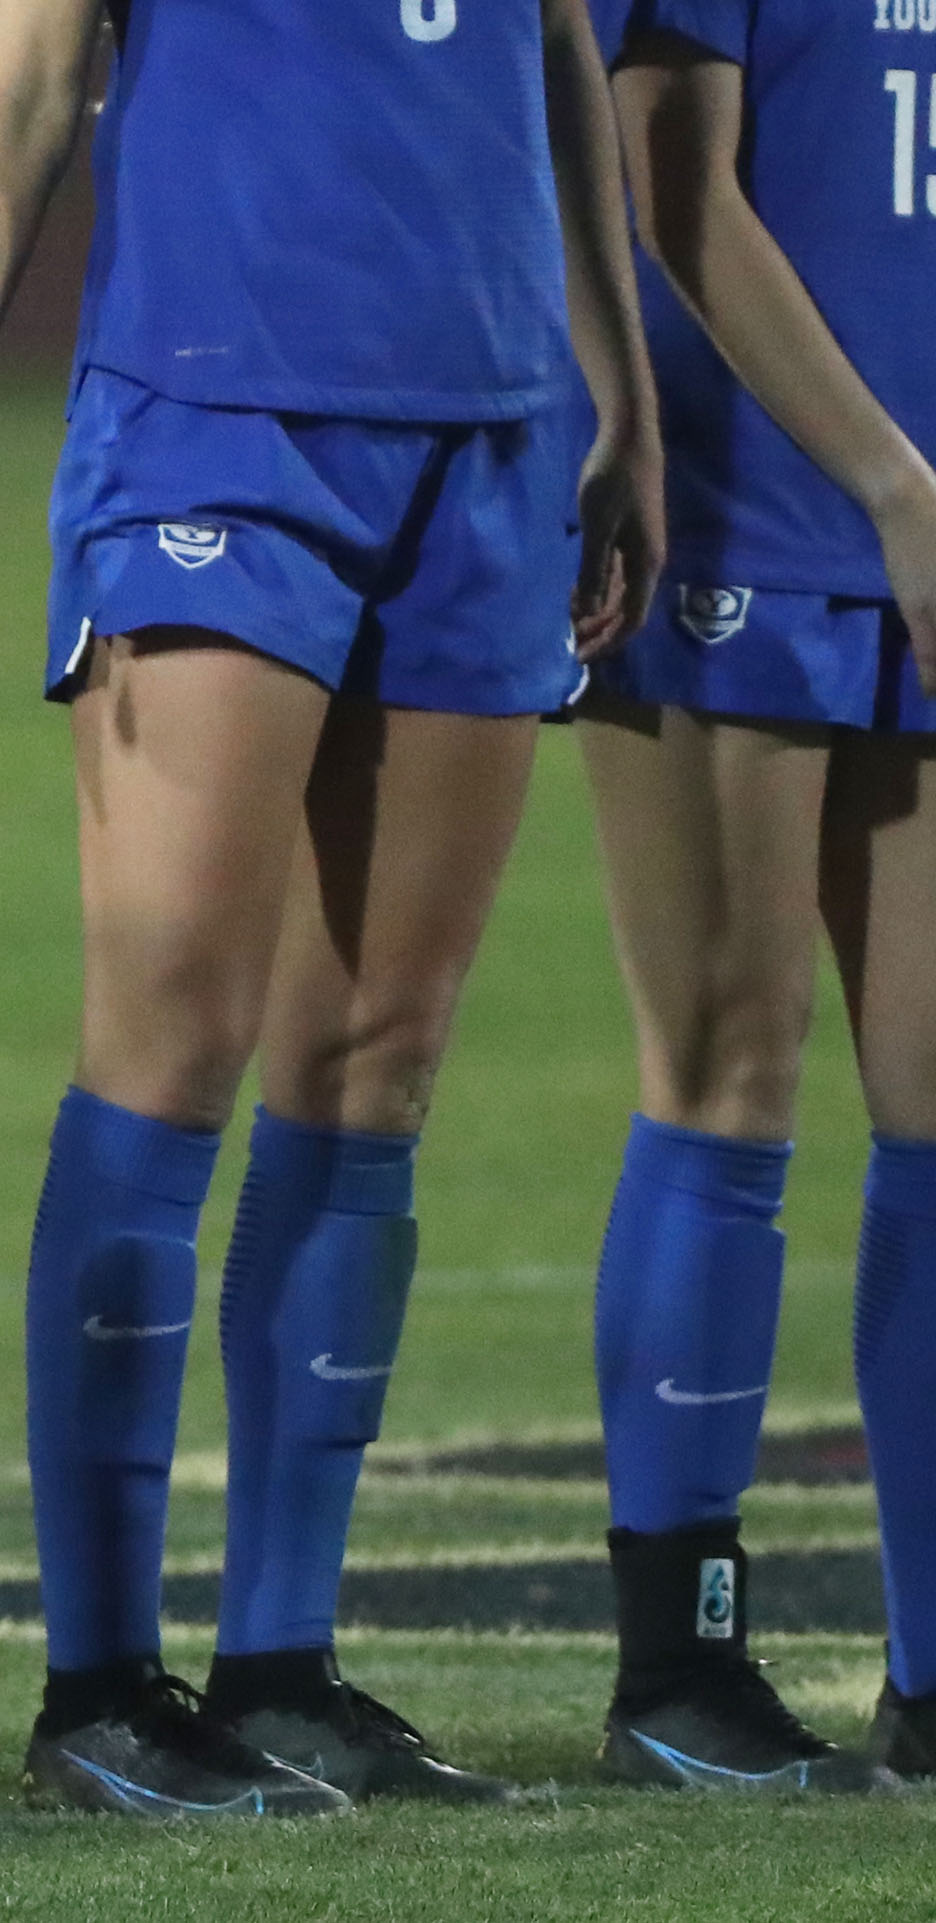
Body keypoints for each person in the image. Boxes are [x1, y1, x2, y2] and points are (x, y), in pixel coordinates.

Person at [0, 0, 665, 1812]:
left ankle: (284, 1664)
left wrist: (616, 395)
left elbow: (558, 54)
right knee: (172, 1045)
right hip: (215, 418)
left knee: (376, 1062)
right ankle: (97, 1688)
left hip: (492, 433)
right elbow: (25, 86)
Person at [568, 0, 936, 1793]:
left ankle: (931, 1676)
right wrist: (889, 482)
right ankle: (677, 1669)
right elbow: (669, 183)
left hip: (925, 521)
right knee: (731, 1062)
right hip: (743, 507)